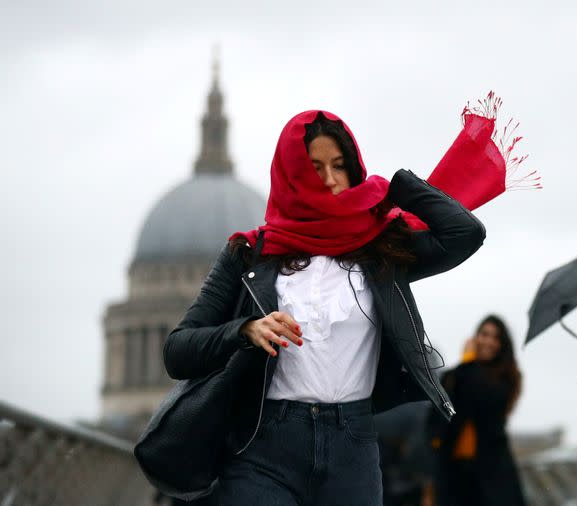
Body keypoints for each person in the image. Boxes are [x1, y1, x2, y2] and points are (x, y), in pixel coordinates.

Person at [163, 110, 487, 505]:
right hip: (263, 446)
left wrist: (396, 186)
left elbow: (465, 233)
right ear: (291, 173)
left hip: (353, 447)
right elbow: (177, 351)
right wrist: (245, 330)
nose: (331, 180)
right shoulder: (248, 254)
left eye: (340, 166)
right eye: (315, 168)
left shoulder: (381, 250)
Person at [429, 315, 526, 506]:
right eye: (484, 334)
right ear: (475, 338)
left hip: (492, 475)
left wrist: (468, 364)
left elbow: (478, 401)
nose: (488, 341)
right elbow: (439, 416)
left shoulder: (505, 379)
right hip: (453, 473)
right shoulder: (454, 375)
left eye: (495, 337)